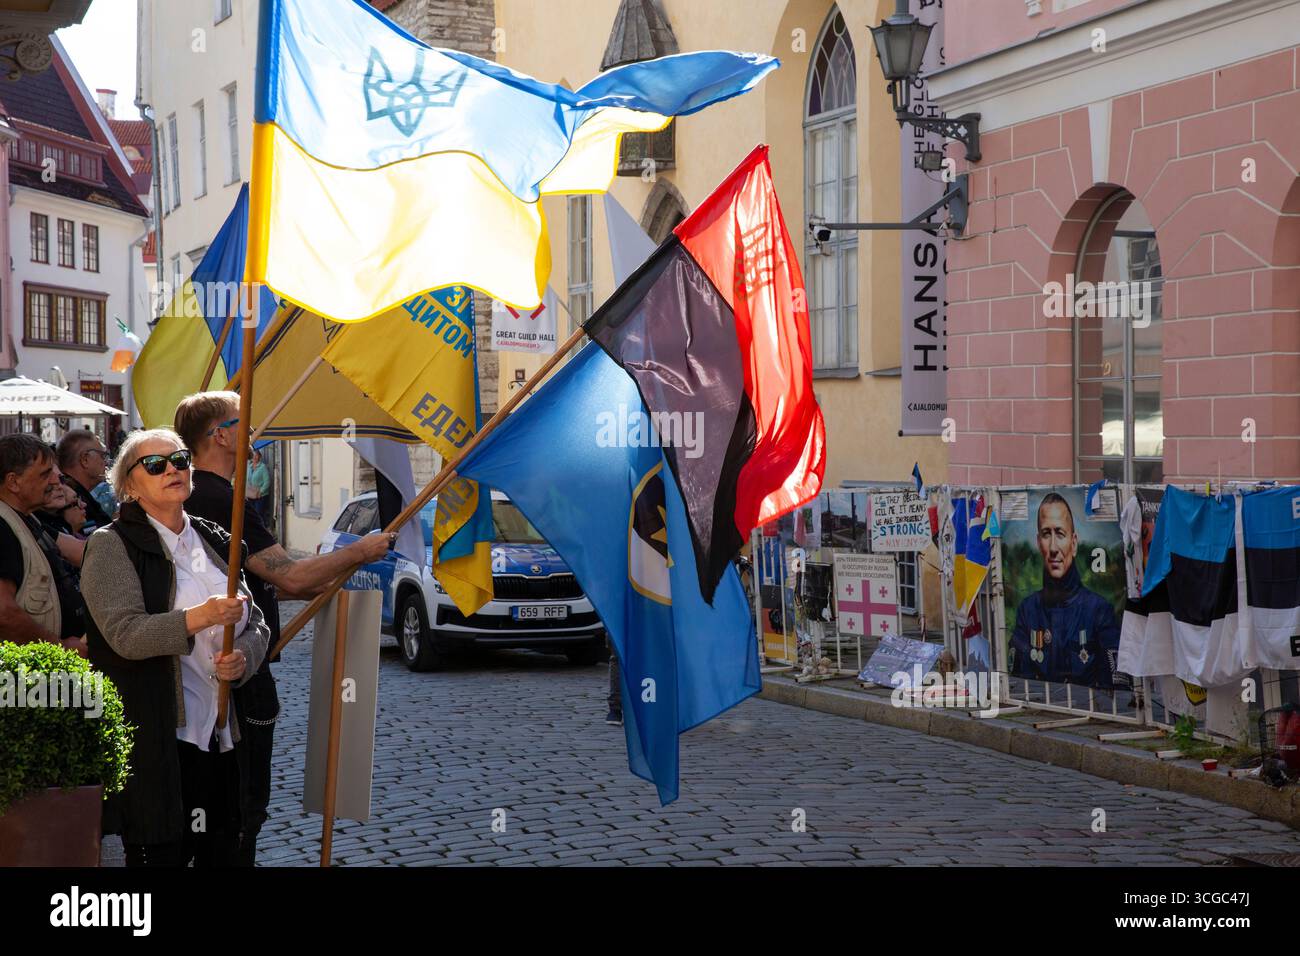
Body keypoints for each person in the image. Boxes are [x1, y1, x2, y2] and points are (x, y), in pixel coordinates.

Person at [173, 391, 394, 866]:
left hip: (222, 670)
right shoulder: (217, 497)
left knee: (225, 807)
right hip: (235, 677)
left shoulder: (207, 494)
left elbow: (265, 582)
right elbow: (288, 574)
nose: (252, 432)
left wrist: (319, 578)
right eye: (243, 423)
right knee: (242, 807)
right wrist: (359, 551)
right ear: (220, 435)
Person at [81, 428, 269, 867]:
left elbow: (255, 619)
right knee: (164, 854)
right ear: (129, 485)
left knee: (223, 851)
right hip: (160, 737)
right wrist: (198, 617)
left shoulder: (212, 537)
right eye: (155, 464)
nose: (172, 470)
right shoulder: (111, 545)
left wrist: (243, 659)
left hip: (220, 732)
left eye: (180, 459)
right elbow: (124, 635)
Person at [1010, 492, 1121, 687]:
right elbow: (1019, 684)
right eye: (1046, 534)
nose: (1053, 547)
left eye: (1060, 534)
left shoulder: (1099, 611)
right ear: (1038, 543)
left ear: (1074, 543)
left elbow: (1115, 693)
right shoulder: (1028, 611)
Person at [0, 434, 87, 656]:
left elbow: (81, 553)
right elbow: (3, 612)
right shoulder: (2, 526)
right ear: (13, 482)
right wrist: (59, 648)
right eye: (45, 474)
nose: (56, 480)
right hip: (30, 680)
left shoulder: (26, 517)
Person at [56, 429, 114, 532]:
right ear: (85, 459)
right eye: (103, 456)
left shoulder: (78, 494)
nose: (106, 462)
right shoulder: (68, 501)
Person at [246, 448, 272, 526]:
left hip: (260, 496)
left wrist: (261, 492)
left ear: (259, 457)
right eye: (253, 455)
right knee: (252, 514)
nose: (255, 457)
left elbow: (267, 481)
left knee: (259, 514)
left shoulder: (262, 467)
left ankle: (263, 530)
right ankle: (256, 531)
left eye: (257, 455)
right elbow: (247, 480)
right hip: (251, 495)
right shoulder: (249, 467)